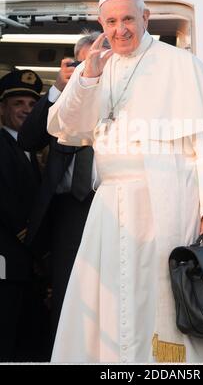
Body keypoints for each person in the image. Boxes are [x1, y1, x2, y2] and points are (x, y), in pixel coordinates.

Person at [47, 0, 203, 363]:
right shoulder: (95, 67)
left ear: (145, 18)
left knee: (164, 295)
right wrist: (88, 80)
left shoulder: (181, 65)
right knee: (111, 296)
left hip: (169, 197)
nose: (121, 29)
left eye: (129, 19)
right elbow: (66, 128)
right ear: (102, 24)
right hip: (112, 202)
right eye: (112, 21)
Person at [18, 32, 110, 342]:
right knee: (69, 293)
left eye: (98, 63)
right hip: (69, 209)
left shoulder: (124, 97)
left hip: (111, 202)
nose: (91, 69)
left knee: (112, 291)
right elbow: (28, 139)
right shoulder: (63, 99)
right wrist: (59, 87)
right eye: (84, 63)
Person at [0, 68, 50, 361]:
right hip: (7, 263)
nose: (26, 110)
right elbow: (6, 200)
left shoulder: (30, 150)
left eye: (32, 105)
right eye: (18, 103)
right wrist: (36, 245)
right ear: (3, 108)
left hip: (23, 267)